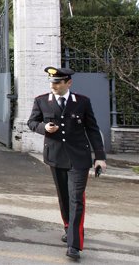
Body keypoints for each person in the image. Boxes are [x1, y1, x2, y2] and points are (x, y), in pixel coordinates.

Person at [27, 66, 106, 260]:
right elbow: (31, 122)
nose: (53, 85)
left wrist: (100, 157)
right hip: (55, 156)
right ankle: (69, 227)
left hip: (79, 158)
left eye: (57, 82)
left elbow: (93, 130)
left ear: (68, 83)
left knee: (76, 197)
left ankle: (74, 245)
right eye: (52, 82)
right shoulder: (41, 101)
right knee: (64, 196)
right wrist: (44, 127)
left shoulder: (82, 102)